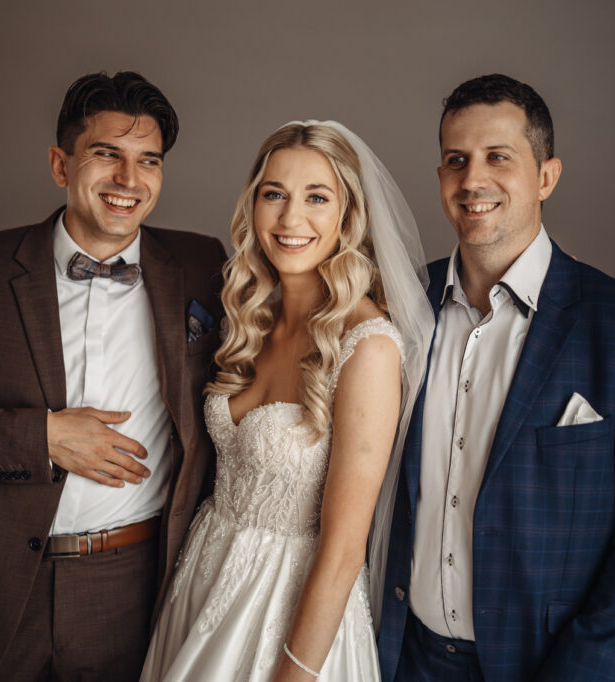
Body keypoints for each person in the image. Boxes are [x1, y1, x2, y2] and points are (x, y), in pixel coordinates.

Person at [0, 71, 227, 681]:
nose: (129, 180)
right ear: (61, 165)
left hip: (139, 584)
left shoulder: (202, 264)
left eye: (148, 160)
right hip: (1, 587)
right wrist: (42, 438)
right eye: (106, 154)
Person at [376, 73, 615, 682]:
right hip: (404, 659)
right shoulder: (397, 305)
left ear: (546, 177)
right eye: (456, 160)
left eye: (498, 157)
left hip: (548, 666)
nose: (472, 180)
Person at [140, 121, 434, 681]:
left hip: (289, 608)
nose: (290, 218)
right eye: (274, 194)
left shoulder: (367, 346)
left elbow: (345, 551)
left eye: (317, 198)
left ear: (348, 215)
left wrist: (294, 673)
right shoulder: (252, 320)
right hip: (203, 579)